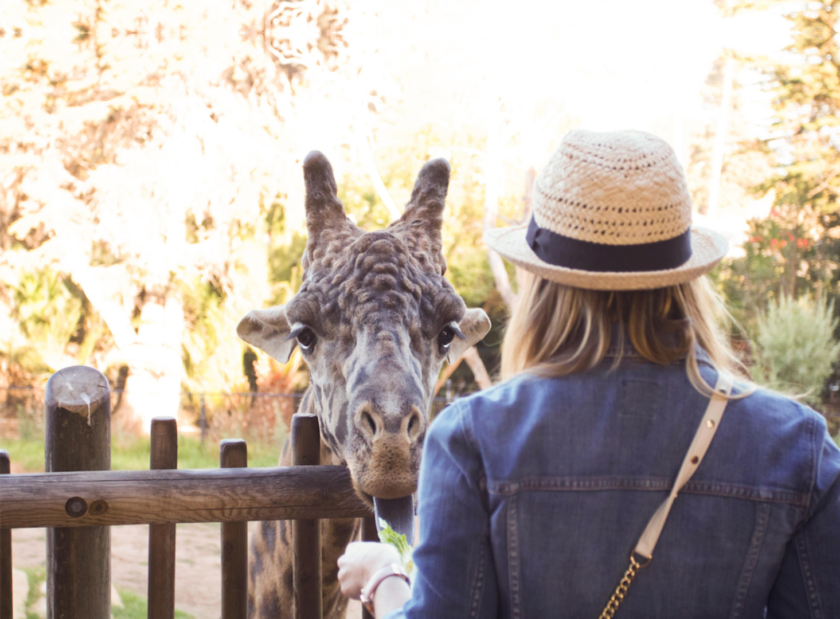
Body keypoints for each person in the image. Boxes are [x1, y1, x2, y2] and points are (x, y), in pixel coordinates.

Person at [337, 130, 840, 618]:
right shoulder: (799, 448)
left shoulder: (473, 440)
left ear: (542, 284)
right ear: (685, 280)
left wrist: (384, 575)